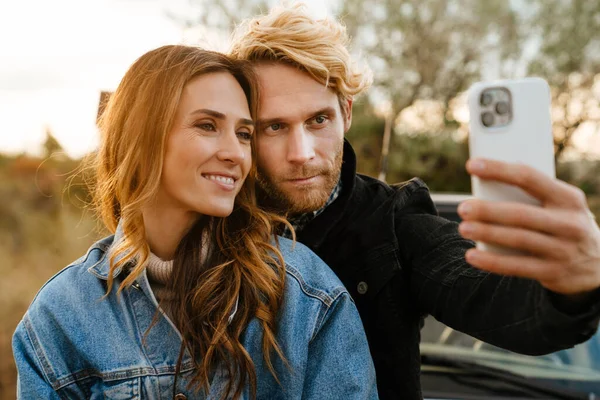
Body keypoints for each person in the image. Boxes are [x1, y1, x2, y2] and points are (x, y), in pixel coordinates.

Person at [229, 4, 600, 399]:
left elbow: (482, 292)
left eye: (318, 120)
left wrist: (572, 288)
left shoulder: (395, 221)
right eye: (275, 126)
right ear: (246, 131)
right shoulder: (212, 223)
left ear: (346, 113)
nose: (301, 152)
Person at [12, 45, 378, 399]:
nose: (235, 153)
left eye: (244, 134)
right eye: (207, 125)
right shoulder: (61, 316)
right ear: (141, 137)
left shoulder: (306, 299)